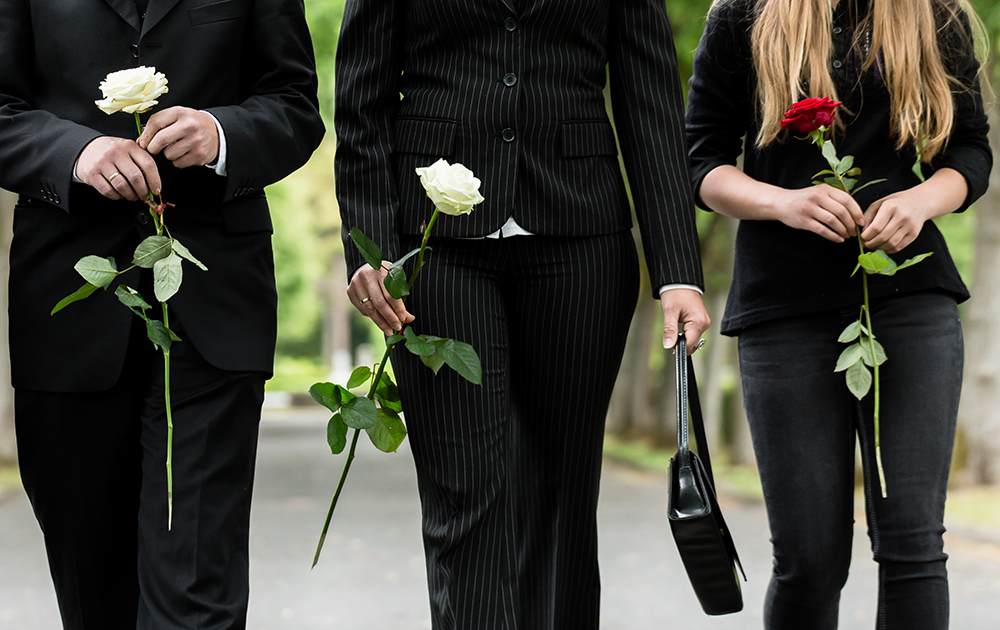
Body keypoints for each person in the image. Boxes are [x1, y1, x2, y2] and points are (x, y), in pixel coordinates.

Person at [335, 0, 710, 628]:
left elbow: (649, 99)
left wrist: (676, 270)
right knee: (464, 493)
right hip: (433, 249)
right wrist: (369, 245)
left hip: (582, 237)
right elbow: (360, 100)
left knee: (562, 493)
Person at [0, 1, 324, 628]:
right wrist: (74, 154)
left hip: (215, 306)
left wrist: (223, 135)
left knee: (196, 595)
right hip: (66, 310)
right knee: (96, 596)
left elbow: (294, 104)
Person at [686, 0, 991, 628]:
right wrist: (783, 203)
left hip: (910, 299)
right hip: (782, 310)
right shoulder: (743, 15)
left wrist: (919, 202)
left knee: (913, 546)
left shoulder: (937, 15)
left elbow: (969, 154)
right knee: (809, 560)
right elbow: (701, 161)